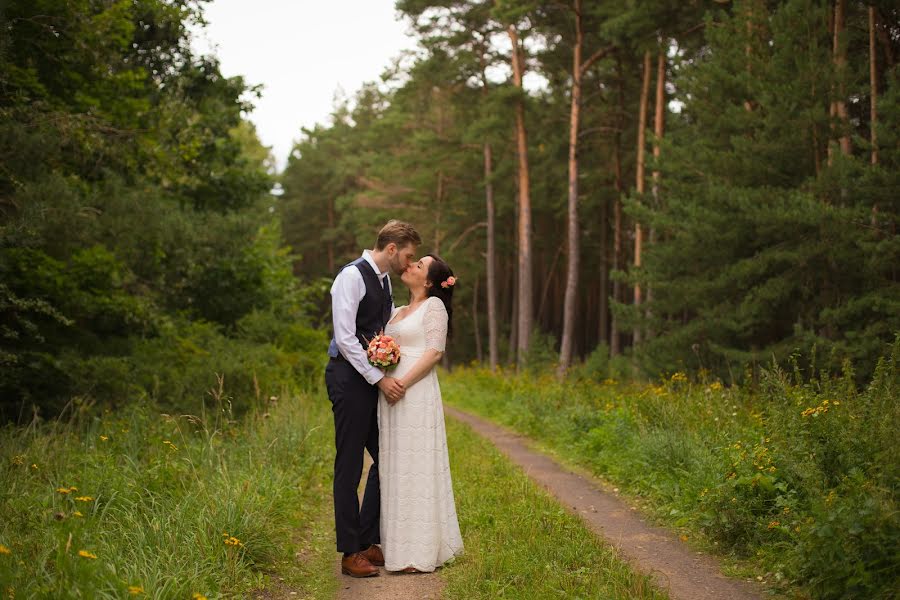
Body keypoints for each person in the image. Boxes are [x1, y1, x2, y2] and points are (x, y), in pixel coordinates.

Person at [325, 220, 421, 578]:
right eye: (408, 256)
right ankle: (350, 552)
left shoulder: (383, 281)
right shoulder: (351, 277)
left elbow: (383, 330)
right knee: (349, 466)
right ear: (392, 249)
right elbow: (346, 338)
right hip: (348, 379)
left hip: (368, 379)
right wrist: (379, 379)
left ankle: (366, 538)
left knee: (387, 457)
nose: (409, 264)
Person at [378, 254, 464, 573]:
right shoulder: (398, 311)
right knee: (395, 464)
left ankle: (421, 549)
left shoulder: (434, 307)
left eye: (419, 265)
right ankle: (396, 546)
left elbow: (434, 351)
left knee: (418, 462)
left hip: (414, 390)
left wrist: (401, 382)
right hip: (390, 393)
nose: (411, 265)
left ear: (428, 281)